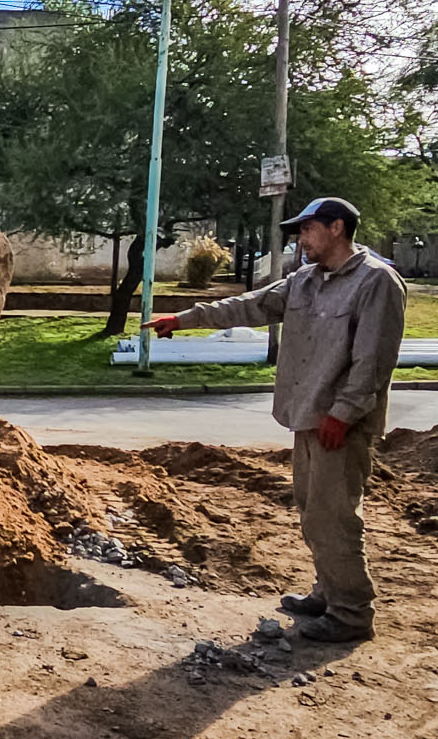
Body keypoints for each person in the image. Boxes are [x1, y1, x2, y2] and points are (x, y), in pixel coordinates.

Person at [143, 197, 406, 644]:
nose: (299, 239)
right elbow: (247, 306)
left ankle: (351, 614)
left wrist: (343, 414)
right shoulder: (305, 280)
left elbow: (373, 362)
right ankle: (327, 592)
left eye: (306, 230)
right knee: (313, 511)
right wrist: (183, 319)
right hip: (307, 417)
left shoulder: (375, 282)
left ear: (337, 228)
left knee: (333, 517)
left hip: (340, 423)